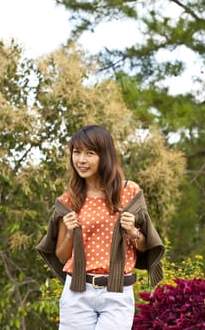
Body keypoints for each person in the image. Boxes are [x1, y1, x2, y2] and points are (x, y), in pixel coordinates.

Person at [36, 124, 165, 330]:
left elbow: (143, 246)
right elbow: (61, 256)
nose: (81, 160)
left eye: (90, 153)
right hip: (77, 294)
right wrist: (69, 232)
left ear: (105, 156)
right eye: (76, 152)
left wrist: (133, 231)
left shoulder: (129, 192)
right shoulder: (68, 200)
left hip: (117, 293)